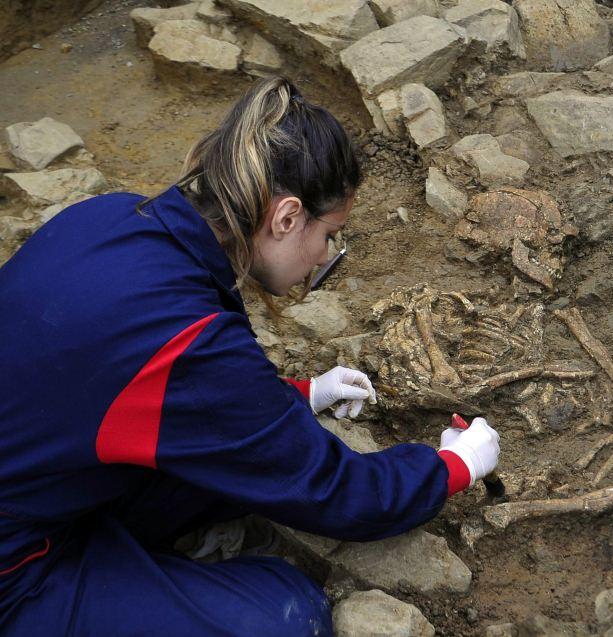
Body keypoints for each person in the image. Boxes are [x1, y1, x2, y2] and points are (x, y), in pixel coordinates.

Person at [0, 76, 501, 636]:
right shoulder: (183, 342)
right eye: (330, 234)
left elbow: (127, 389)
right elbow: (334, 491)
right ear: (286, 217)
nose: (323, 257)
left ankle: (125, 575)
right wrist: (454, 466)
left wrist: (300, 395)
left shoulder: (116, 216)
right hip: (14, 567)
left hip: (39, 480)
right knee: (285, 613)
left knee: (226, 478)